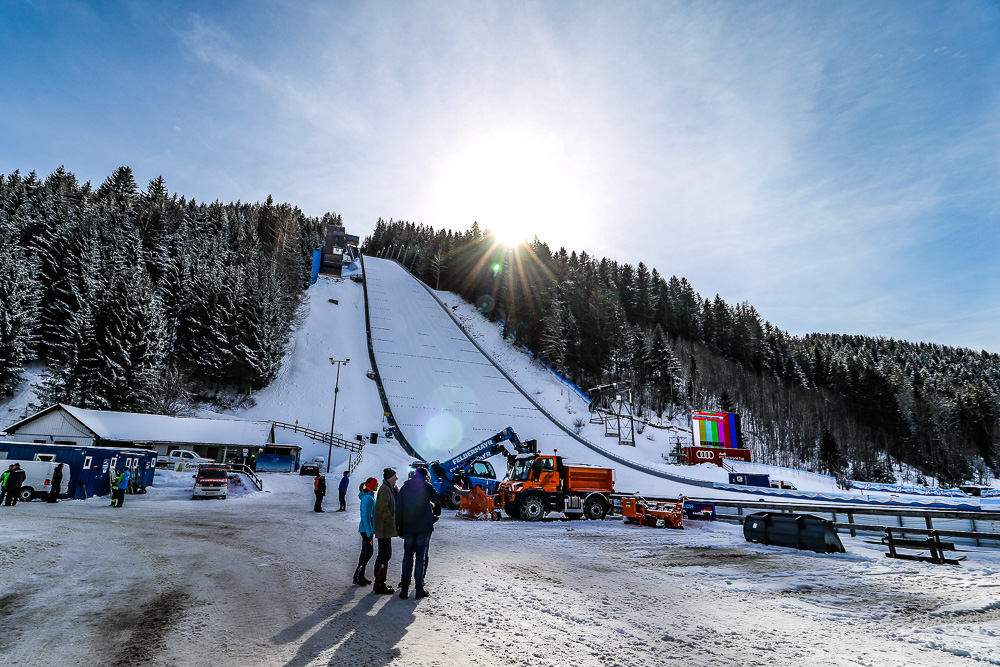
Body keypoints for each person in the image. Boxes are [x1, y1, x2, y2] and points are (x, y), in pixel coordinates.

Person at [395, 466, 441, 600]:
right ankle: (419, 589)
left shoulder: (404, 488)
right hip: (423, 529)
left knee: (407, 558)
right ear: (425, 476)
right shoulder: (426, 486)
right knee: (420, 558)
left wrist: (399, 527)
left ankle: (404, 590)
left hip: (408, 528)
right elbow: (437, 499)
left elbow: (398, 509)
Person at [372, 467, 398, 594]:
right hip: (384, 529)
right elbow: (383, 508)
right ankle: (379, 583)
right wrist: (391, 521)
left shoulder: (388, 489)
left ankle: (379, 582)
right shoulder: (385, 489)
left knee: (385, 554)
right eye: (395, 477)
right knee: (384, 555)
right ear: (389, 478)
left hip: (385, 529)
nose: (396, 479)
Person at [353, 477, 377, 586]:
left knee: (365, 552)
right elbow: (365, 516)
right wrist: (369, 531)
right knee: (368, 552)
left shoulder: (369, 496)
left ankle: (359, 576)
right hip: (366, 530)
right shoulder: (368, 498)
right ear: (372, 485)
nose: (377, 485)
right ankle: (358, 576)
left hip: (367, 530)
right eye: (376, 484)